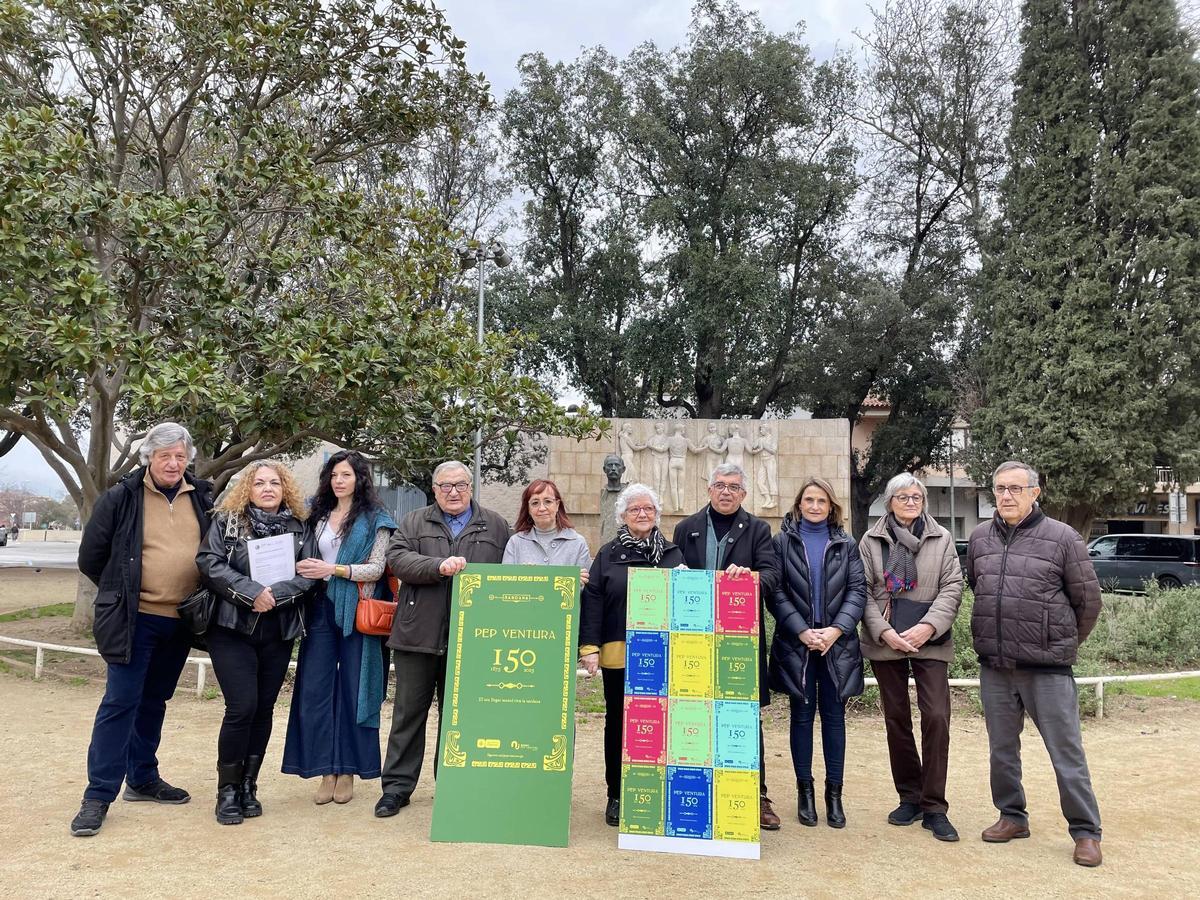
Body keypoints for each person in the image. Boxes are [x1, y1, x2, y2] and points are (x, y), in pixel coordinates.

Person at [70, 422, 214, 837]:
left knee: (154, 701)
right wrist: (122, 593)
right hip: (135, 619)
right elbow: (91, 557)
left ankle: (143, 778)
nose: (172, 463)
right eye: (164, 456)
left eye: (180, 456)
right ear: (149, 457)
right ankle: (98, 795)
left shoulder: (201, 497)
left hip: (180, 622)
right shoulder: (121, 497)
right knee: (120, 703)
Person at [968, 460, 1103, 867]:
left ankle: (1085, 831)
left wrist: (1058, 644)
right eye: (1000, 489)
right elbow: (978, 586)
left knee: (1066, 754)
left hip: (1048, 670)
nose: (1006, 496)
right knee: (1001, 751)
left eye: (1015, 488)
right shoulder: (979, 538)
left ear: (1034, 493)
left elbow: (1088, 602)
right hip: (996, 666)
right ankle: (1012, 816)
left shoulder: (1063, 538)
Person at [375, 461, 511, 818]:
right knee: (408, 715)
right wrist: (437, 566)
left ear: (471, 487)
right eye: (445, 486)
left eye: (461, 485)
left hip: (471, 639)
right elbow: (397, 559)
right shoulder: (414, 521)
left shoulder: (496, 525)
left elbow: (512, 571)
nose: (454, 492)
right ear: (434, 490)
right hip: (417, 634)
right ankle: (396, 788)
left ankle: (452, 786)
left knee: (460, 719)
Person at [196, 460, 317, 825]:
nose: (267, 489)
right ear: (247, 488)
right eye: (260, 483)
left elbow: (310, 573)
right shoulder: (227, 522)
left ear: (285, 489)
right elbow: (209, 562)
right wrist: (251, 593)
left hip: (277, 630)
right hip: (231, 627)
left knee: (264, 709)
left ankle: (249, 785)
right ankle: (227, 790)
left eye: (274, 483)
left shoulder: (300, 527)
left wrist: (275, 595)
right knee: (242, 707)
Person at [283, 450, 397, 805]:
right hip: (318, 607)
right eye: (333, 475)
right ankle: (325, 770)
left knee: (354, 688)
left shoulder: (376, 519)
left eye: (345, 474)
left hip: (358, 609)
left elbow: (376, 569)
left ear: (359, 478)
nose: (338, 481)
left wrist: (333, 570)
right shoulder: (315, 515)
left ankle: (347, 770)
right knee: (314, 688)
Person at [672, 463, 782, 830]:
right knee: (692, 714)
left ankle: (757, 795)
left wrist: (750, 577)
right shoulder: (685, 528)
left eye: (733, 487)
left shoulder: (758, 529)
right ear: (708, 490)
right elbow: (673, 574)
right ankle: (694, 788)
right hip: (692, 639)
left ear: (743, 494)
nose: (726, 492)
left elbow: (772, 575)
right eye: (720, 485)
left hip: (739, 641)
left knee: (744, 718)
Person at [859, 473, 963, 842]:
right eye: (902, 497)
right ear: (889, 502)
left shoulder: (941, 537)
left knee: (936, 716)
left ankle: (934, 806)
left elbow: (953, 585)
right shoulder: (871, 540)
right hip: (886, 636)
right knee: (896, 718)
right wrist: (883, 631)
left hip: (930, 638)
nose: (910, 502)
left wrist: (928, 627)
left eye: (916, 497)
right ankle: (910, 797)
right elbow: (861, 590)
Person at [580, 483, 684, 826]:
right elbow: (593, 600)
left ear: (657, 514)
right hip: (619, 653)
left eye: (648, 509)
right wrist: (589, 648)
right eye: (635, 509)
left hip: (663, 656)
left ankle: (654, 787)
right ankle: (616, 793)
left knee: (660, 723)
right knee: (619, 724)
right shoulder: (607, 554)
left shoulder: (673, 554)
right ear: (622, 516)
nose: (642, 514)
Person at [768, 475, 866, 829]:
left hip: (837, 644)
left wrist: (836, 630)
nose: (814, 506)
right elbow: (776, 591)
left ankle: (834, 795)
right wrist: (803, 631)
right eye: (808, 500)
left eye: (821, 500)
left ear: (831, 506)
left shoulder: (846, 543)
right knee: (801, 716)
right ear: (799, 504)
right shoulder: (782, 542)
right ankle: (805, 791)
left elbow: (857, 590)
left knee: (835, 718)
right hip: (798, 643)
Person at [503, 479, 592, 580]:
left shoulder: (577, 543)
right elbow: (505, 583)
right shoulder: (515, 543)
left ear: (557, 505)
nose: (542, 508)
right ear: (528, 509)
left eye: (548, 502)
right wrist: (522, 577)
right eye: (535, 503)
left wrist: (578, 582)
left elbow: (588, 585)